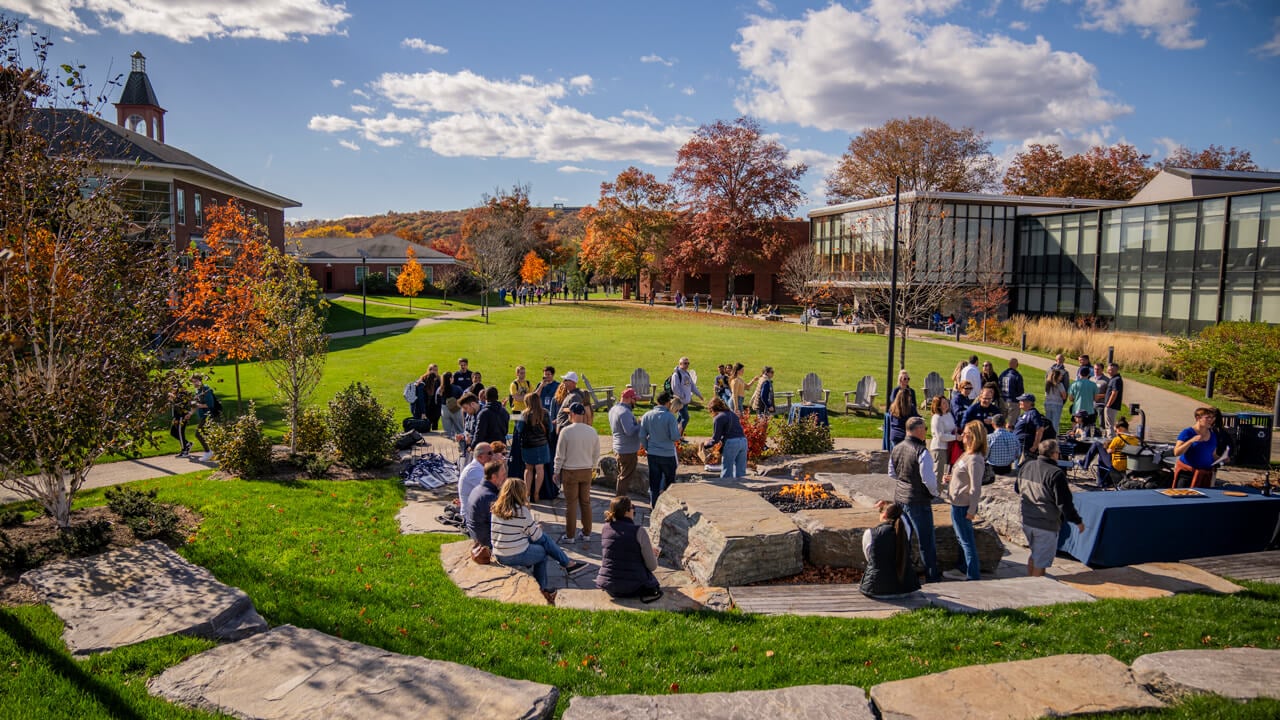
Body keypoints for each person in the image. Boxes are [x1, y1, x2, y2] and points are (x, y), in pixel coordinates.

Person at [491, 475, 588, 605]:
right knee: (542, 551)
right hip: (513, 555)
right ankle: (543, 587)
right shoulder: (521, 511)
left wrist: (533, 529)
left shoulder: (496, 508)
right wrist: (536, 528)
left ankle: (566, 563)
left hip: (498, 552)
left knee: (542, 540)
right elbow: (536, 536)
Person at [1014, 439, 1084, 577]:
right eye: (1058, 452)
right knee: (1041, 562)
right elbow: (1064, 503)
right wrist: (1077, 521)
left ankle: (1029, 582)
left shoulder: (1026, 466)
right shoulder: (1056, 473)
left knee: (1035, 554)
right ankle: (1037, 589)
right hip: (1045, 524)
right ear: (1054, 454)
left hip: (1027, 520)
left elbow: (1017, 488)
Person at [889, 416, 940, 584]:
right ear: (918, 430)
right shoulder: (921, 451)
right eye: (924, 429)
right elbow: (928, 480)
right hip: (918, 500)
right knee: (926, 542)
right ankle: (932, 577)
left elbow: (892, 473)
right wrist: (934, 493)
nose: (926, 432)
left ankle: (904, 574)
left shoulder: (897, 447)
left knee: (904, 538)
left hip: (900, 498)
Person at [595, 496, 663, 602]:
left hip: (610, 585)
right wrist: (652, 555)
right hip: (633, 587)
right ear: (627, 511)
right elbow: (652, 566)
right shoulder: (639, 531)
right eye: (633, 507)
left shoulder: (606, 528)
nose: (634, 510)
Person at [944, 420, 988, 581]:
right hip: (955, 502)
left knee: (966, 541)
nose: (962, 435)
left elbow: (975, 487)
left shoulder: (975, 459)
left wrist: (972, 510)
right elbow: (962, 476)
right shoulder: (966, 453)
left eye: (966, 433)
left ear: (973, 436)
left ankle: (973, 575)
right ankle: (962, 569)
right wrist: (951, 478)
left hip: (963, 505)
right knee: (960, 538)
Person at [553, 403, 600, 544]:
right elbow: (596, 453)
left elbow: (560, 455)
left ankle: (570, 535)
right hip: (586, 470)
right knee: (586, 503)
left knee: (571, 504)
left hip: (570, 471)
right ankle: (586, 533)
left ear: (572, 414)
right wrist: (593, 467)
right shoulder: (592, 431)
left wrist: (556, 471)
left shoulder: (566, 431)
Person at [859, 501, 921, 598]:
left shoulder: (870, 533)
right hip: (905, 589)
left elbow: (870, 559)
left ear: (884, 515)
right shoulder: (906, 531)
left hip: (877, 590)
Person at [641, 391, 682, 505]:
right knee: (670, 485)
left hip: (653, 454)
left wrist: (647, 447)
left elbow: (641, 435)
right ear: (668, 402)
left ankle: (654, 506)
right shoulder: (670, 417)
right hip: (667, 454)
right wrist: (679, 432)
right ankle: (669, 506)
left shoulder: (647, 415)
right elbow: (674, 437)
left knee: (654, 484)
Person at [1173, 407, 1222, 489]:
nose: (1211, 420)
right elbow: (1177, 452)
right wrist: (1191, 441)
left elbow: (1213, 455)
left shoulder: (1212, 434)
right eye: (1207, 418)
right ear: (1198, 418)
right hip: (1187, 475)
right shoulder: (1188, 432)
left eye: (1212, 417)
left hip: (1205, 475)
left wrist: (1222, 458)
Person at [608, 388, 643, 496]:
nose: (635, 402)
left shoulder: (614, 409)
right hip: (627, 451)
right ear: (628, 399)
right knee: (625, 478)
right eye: (634, 399)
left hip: (619, 448)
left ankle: (620, 501)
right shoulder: (625, 412)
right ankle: (620, 502)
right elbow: (630, 431)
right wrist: (640, 423)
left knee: (622, 475)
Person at [465, 456, 503, 553]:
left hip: (477, 536)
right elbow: (498, 525)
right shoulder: (489, 497)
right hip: (487, 542)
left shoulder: (478, 489)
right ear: (494, 477)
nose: (505, 478)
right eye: (503, 475)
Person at [519, 393, 551, 501]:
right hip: (542, 444)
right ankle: (537, 493)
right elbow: (550, 428)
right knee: (540, 468)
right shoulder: (545, 413)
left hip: (528, 445)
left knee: (528, 469)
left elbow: (519, 429)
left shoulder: (524, 414)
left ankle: (527, 493)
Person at [705, 398, 748, 479]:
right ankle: (741, 490)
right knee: (741, 472)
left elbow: (716, 439)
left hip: (732, 443)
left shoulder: (718, 418)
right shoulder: (732, 414)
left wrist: (706, 445)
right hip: (743, 441)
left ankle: (727, 490)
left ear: (712, 409)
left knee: (727, 472)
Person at [457, 442, 493, 524]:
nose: (492, 456)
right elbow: (492, 490)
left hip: (480, 513)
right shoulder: (474, 471)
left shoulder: (481, 468)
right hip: (472, 518)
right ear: (480, 456)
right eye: (490, 453)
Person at [1012, 393, 1053, 463]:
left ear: (1028, 403)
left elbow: (1040, 429)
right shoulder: (1025, 413)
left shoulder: (1033, 413)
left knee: (1021, 467)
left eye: (1021, 401)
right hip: (1019, 445)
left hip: (1025, 447)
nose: (1019, 402)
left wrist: (1035, 445)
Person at [669, 357, 702, 434]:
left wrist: (699, 395)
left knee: (680, 419)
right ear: (680, 364)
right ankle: (678, 436)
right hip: (681, 401)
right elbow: (674, 387)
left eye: (688, 363)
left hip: (686, 401)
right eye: (685, 363)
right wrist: (682, 396)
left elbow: (692, 386)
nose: (687, 365)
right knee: (685, 418)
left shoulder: (686, 373)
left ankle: (674, 434)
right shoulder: (676, 374)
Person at [887, 370, 917, 446]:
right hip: (899, 414)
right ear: (900, 379)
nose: (907, 380)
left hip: (909, 415)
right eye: (905, 379)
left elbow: (914, 404)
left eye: (908, 378)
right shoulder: (896, 390)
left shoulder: (911, 391)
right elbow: (893, 403)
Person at [191, 374, 217, 461]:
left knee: (198, 434)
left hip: (208, 415)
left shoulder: (206, 389)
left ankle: (208, 452)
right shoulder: (198, 391)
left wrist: (198, 405)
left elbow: (210, 404)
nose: (194, 383)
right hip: (203, 416)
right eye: (192, 382)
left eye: (195, 381)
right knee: (208, 434)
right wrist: (190, 414)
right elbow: (196, 405)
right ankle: (217, 452)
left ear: (200, 380)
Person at [929, 395, 957, 475]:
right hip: (939, 448)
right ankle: (936, 488)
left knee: (946, 473)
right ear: (938, 406)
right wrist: (955, 437)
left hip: (949, 447)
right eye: (944, 403)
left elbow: (952, 427)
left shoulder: (949, 415)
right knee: (939, 473)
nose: (946, 404)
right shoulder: (936, 418)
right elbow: (940, 436)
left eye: (947, 402)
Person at [1043, 367, 1068, 433]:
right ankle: (1054, 437)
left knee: (1048, 421)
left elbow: (1046, 394)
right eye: (1060, 375)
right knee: (1055, 423)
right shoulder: (1060, 385)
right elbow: (1064, 396)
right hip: (1057, 404)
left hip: (1048, 403)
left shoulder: (1047, 384)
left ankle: (1047, 436)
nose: (1061, 377)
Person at [169, 388, 193, 458]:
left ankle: (184, 451)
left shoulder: (182, 394)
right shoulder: (175, 394)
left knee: (180, 433)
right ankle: (187, 444)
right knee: (173, 432)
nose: (171, 388)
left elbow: (182, 404)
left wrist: (173, 398)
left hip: (181, 417)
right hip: (176, 417)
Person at [1103, 363, 1124, 438]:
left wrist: (1108, 404)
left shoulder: (1116, 380)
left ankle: (1110, 440)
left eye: (1111, 370)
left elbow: (1114, 393)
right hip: (1111, 406)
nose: (1109, 371)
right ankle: (1111, 439)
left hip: (1111, 406)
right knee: (1109, 424)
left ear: (1116, 370)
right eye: (1108, 370)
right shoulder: (1113, 379)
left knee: (1109, 425)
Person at [421, 366, 442, 431]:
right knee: (426, 424)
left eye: (436, 370)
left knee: (435, 423)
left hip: (436, 405)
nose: (435, 372)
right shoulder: (424, 379)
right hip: (427, 405)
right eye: (433, 370)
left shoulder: (439, 380)